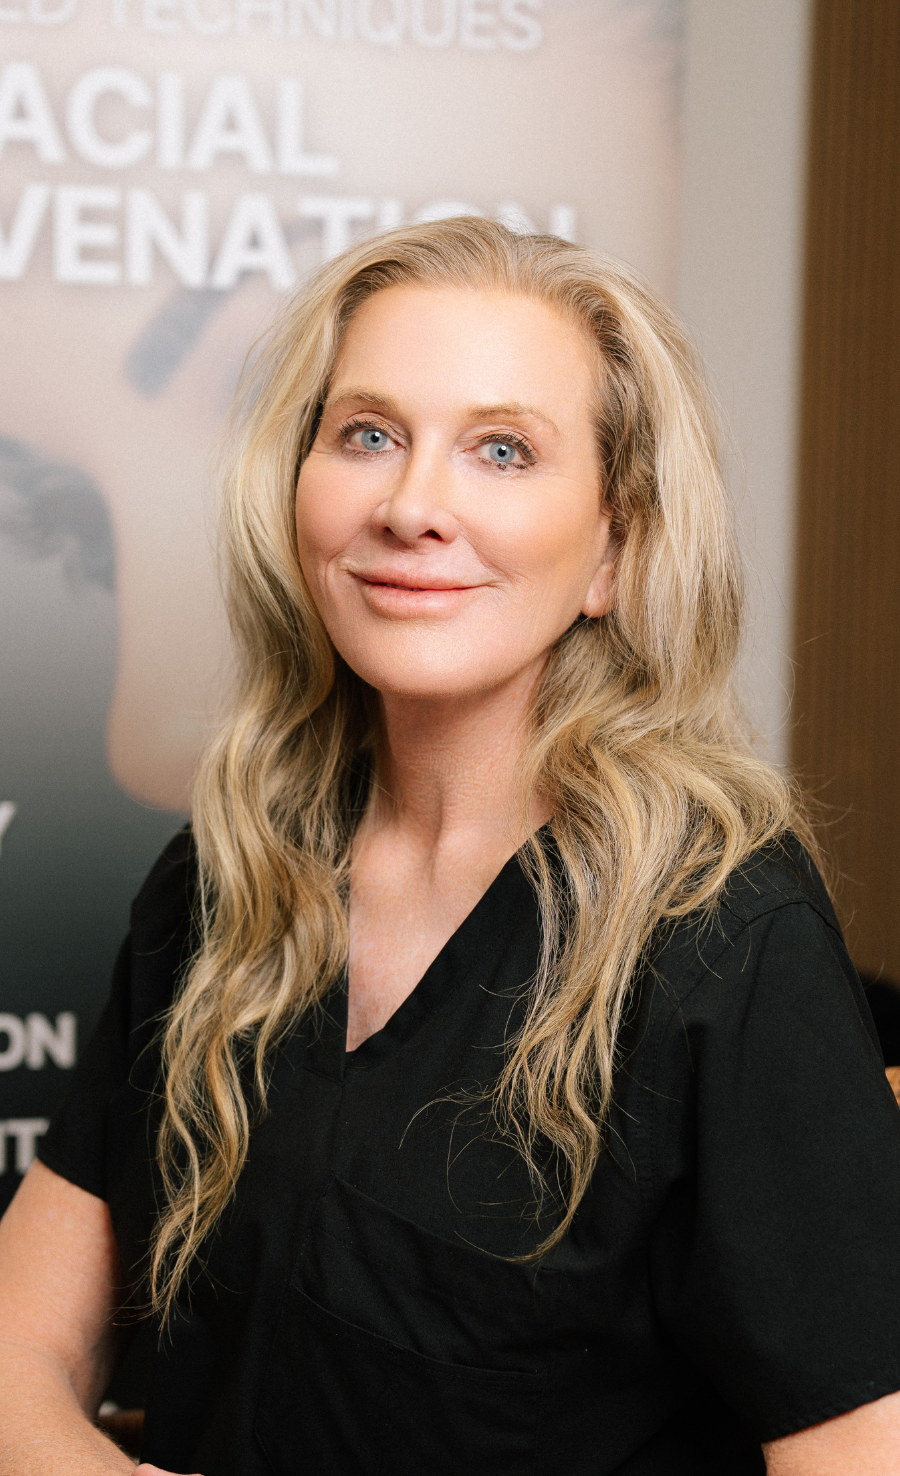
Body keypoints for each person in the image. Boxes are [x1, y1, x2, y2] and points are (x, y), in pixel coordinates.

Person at [1, 218, 899, 1476]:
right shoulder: (229, 877)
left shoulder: (724, 939)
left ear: (614, 547)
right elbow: (18, 1347)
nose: (414, 505)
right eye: (368, 434)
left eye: (503, 451)